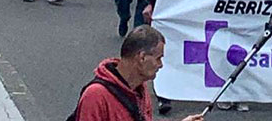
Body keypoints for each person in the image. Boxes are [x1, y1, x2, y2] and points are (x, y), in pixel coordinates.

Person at [72, 25, 204, 121]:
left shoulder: (139, 88)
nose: (161, 65)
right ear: (141, 57)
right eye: (158, 58)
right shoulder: (96, 96)